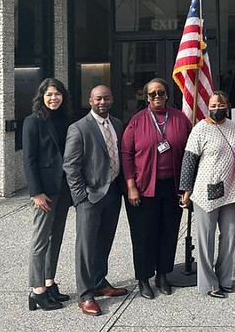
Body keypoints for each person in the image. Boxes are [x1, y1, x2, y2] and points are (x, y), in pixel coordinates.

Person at [121, 77, 191, 299]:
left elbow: (191, 154)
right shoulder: (137, 121)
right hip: (143, 189)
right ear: (146, 96)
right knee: (144, 235)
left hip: (172, 187)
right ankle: (143, 278)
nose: (157, 97)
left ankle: (163, 274)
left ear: (167, 94)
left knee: (168, 232)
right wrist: (131, 186)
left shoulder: (180, 119)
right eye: (152, 94)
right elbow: (126, 155)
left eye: (161, 92)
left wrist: (188, 188)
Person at [63, 85, 127, 316]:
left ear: (112, 99)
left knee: (104, 241)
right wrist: (80, 197)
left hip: (112, 193)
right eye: (98, 98)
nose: (103, 102)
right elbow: (70, 166)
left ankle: (100, 282)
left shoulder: (117, 124)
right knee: (86, 246)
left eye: (107, 98)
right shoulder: (78, 128)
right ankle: (85, 294)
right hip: (90, 196)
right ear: (90, 100)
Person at [179, 91, 235, 298]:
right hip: (206, 191)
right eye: (213, 105)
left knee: (230, 235)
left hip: (230, 189)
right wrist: (186, 191)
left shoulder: (234, 127)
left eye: (220, 105)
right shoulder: (200, 129)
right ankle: (208, 283)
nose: (216, 109)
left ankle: (224, 279)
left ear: (227, 106)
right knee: (206, 238)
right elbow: (188, 161)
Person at [23, 78, 73, 311]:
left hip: (63, 188)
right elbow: (29, 160)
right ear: (41, 97)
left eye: (58, 94)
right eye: (49, 94)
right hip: (44, 191)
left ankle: (49, 282)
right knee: (41, 240)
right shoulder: (32, 122)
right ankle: (37, 291)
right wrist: (36, 192)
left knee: (56, 237)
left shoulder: (65, 120)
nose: (54, 98)